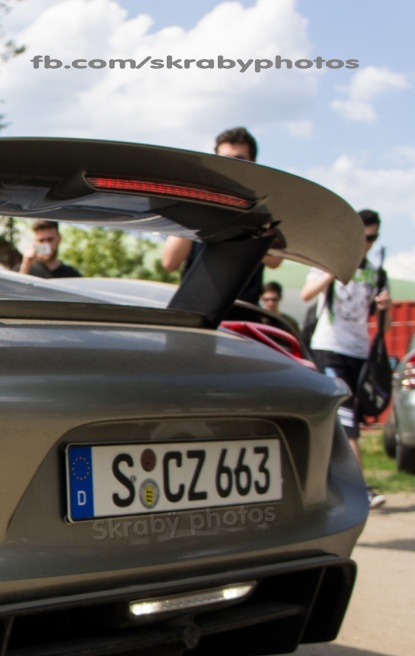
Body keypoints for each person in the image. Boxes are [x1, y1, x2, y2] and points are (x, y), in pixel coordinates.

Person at [300, 209, 391, 508]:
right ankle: (359, 489)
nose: (368, 243)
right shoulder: (329, 260)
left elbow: (384, 326)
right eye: (365, 237)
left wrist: (385, 308)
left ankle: (326, 484)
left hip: (359, 353)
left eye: (374, 238)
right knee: (347, 421)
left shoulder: (377, 273)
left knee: (343, 422)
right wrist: (331, 272)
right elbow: (306, 295)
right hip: (329, 348)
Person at [161, 127, 281, 304]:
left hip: (243, 312)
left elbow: (275, 260)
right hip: (195, 308)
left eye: (239, 160)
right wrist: (196, 207)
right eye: (224, 160)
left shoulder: (263, 207)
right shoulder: (197, 202)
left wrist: (243, 225)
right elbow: (170, 262)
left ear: (253, 162)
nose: (231, 167)